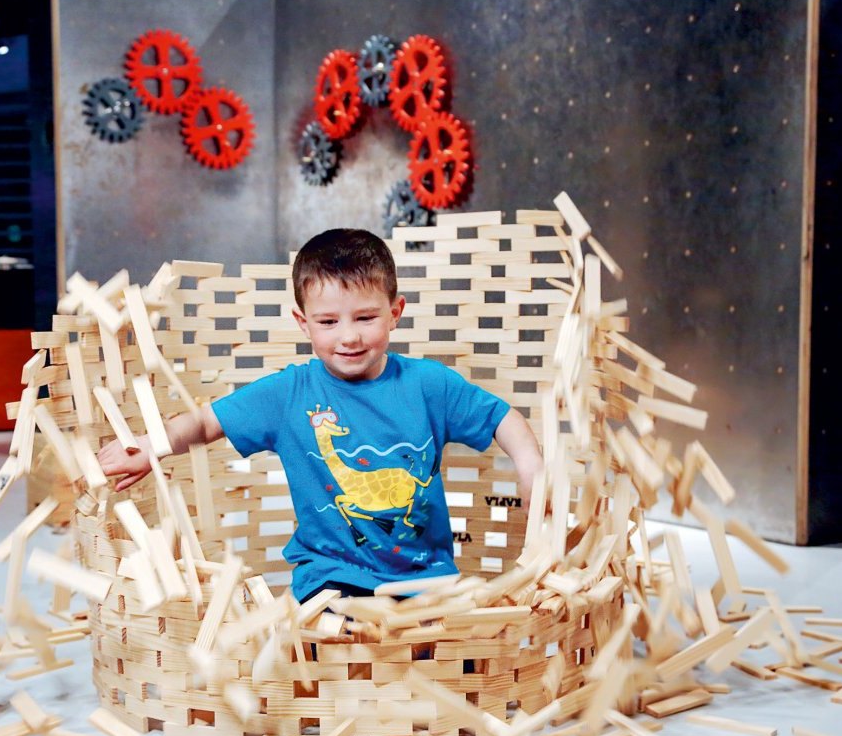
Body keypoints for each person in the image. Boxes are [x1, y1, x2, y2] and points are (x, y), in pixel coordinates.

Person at [98, 228, 544, 603]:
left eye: (366, 317)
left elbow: (503, 418)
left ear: (395, 313)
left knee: (440, 661)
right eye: (328, 322)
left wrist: (531, 469)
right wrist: (148, 447)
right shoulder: (290, 393)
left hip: (425, 576)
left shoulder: (429, 385)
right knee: (336, 650)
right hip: (332, 576)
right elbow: (204, 423)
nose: (348, 337)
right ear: (303, 322)